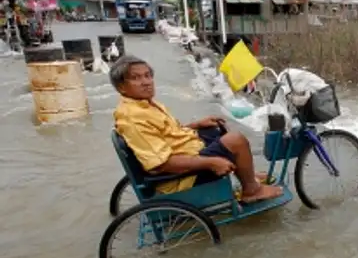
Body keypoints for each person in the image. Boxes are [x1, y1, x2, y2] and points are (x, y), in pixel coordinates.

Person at [110, 55, 283, 203]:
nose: (146, 82)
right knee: (235, 140)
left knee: (215, 128)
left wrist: (196, 125)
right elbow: (161, 164)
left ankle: (247, 175)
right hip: (181, 176)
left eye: (148, 76)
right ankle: (251, 191)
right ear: (121, 86)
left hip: (187, 151)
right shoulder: (133, 117)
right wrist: (211, 162)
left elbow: (166, 132)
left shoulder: (144, 105)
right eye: (136, 78)